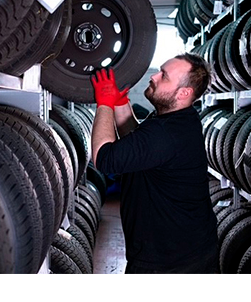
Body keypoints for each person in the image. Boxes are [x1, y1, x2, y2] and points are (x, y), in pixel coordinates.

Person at [91, 53, 219, 274]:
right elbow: (138, 144)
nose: (155, 76)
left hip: (171, 262)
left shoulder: (167, 133)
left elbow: (105, 159)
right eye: (160, 70)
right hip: (184, 250)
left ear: (184, 93)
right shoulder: (176, 120)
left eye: (164, 76)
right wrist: (121, 103)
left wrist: (104, 103)